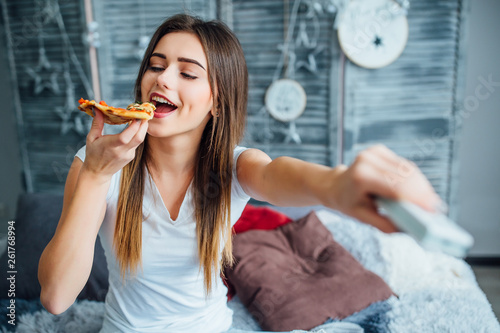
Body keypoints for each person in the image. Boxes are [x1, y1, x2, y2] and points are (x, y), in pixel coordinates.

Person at [38, 14, 443, 333]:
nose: (162, 78)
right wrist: (94, 176)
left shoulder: (234, 166)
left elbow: (280, 176)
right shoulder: (97, 162)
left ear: (217, 101)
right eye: (156, 66)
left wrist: (338, 185)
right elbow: (56, 298)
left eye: (187, 73)